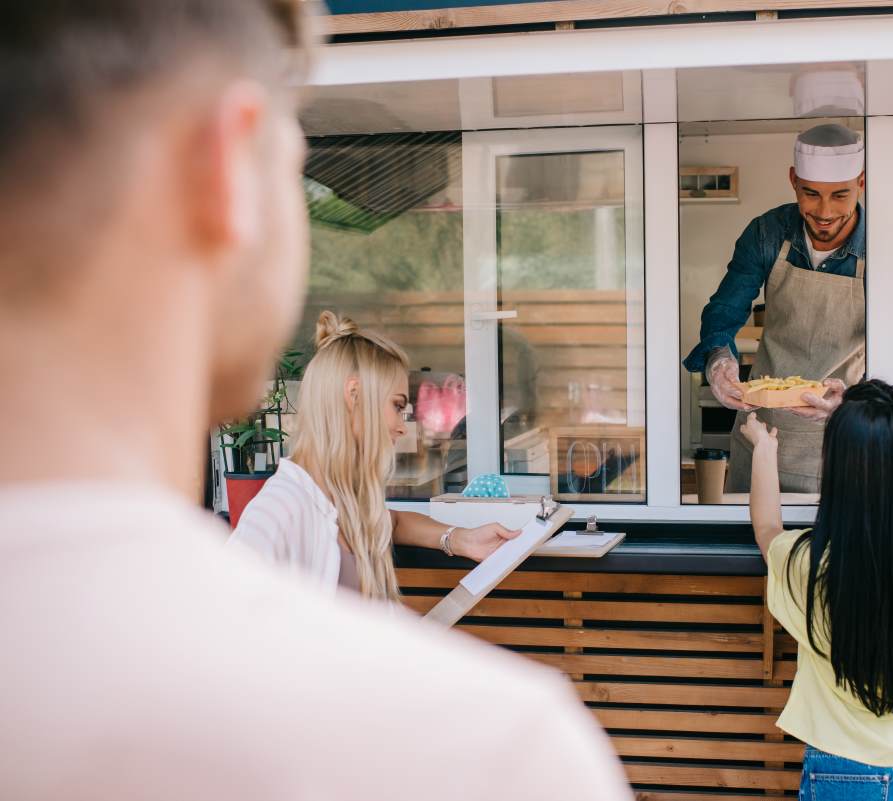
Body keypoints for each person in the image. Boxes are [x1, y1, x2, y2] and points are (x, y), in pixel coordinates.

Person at [0, 3, 632, 800]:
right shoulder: (495, 750)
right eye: (296, 164)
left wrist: (449, 538)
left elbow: (366, 513)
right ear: (223, 167)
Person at [740, 380, 893, 801]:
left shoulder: (810, 565)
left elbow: (767, 529)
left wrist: (763, 448)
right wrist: (854, 419)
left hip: (843, 776)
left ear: (839, 469)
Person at [232, 310, 519, 600]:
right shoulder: (279, 510)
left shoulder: (340, 497)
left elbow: (392, 522)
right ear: (354, 395)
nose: (401, 427)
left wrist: (460, 539)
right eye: (397, 406)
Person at [684, 123, 866, 493]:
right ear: (793, 180)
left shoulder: (882, 241)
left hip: (843, 430)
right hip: (763, 430)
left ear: (861, 183)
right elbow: (724, 311)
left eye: (840, 195)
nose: (825, 211)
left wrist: (853, 402)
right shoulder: (768, 233)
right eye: (811, 194)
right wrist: (719, 359)